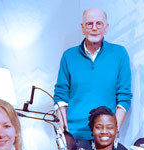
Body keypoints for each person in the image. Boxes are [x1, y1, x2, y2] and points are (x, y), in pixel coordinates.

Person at [54, 7, 132, 140]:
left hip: (105, 135)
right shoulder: (68, 56)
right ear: (82, 28)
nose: (94, 28)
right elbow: (61, 95)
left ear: (106, 28)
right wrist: (64, 130)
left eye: (99, 24)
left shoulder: (120, 54)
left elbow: (124, 96)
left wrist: (113, 130)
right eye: (89, 24)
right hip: (75, 135)